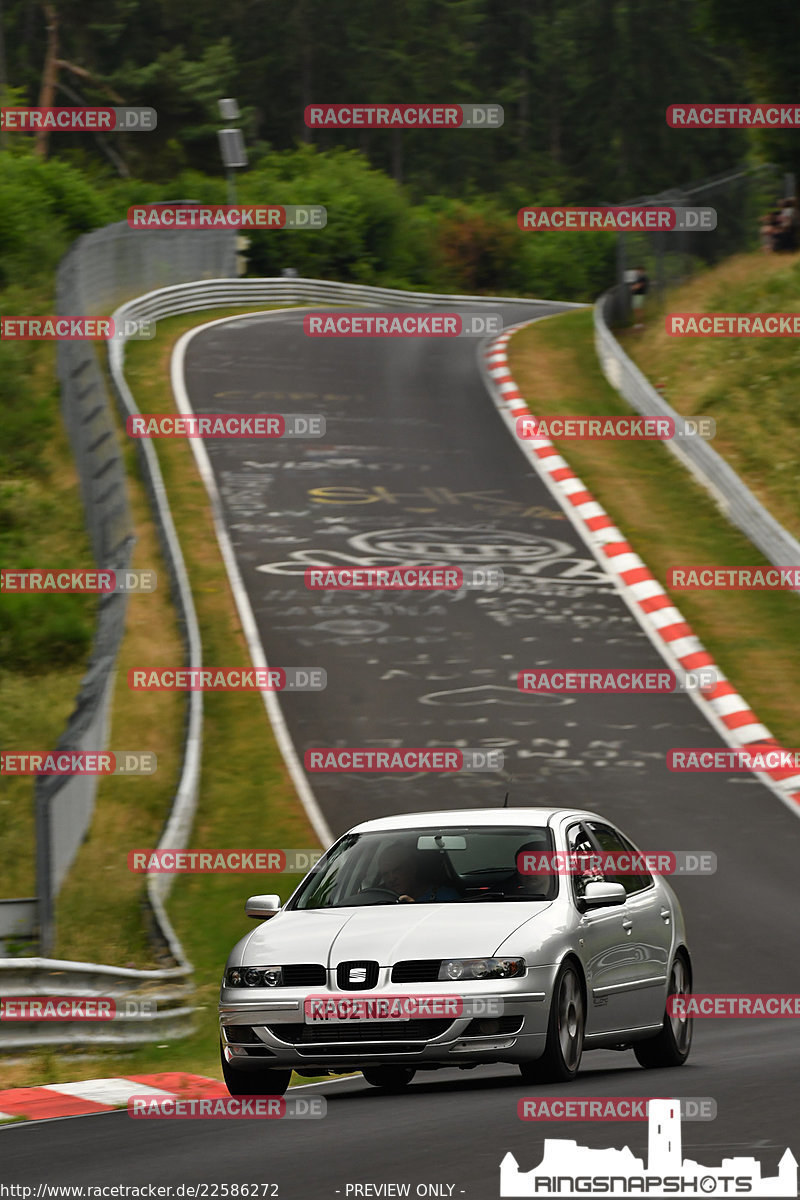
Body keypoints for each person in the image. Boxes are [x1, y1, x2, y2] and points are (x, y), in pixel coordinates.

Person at [379, 844, 460, 903]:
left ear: (412, 868)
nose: (391, 878)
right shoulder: (377, 902)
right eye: (385, 874)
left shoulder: (447, 897)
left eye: (397, 870)